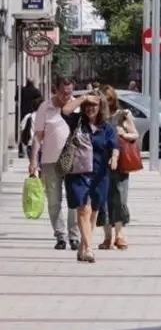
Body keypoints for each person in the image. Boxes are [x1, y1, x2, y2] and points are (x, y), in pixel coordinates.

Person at [28, 77, 89, 251]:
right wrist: (34, 161)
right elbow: (38, 136)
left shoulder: (76, 107)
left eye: (69, 93)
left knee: (74, 200)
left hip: (73, 161)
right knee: (54, 201)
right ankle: (60, 236)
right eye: (63, 93)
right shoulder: (44, 107)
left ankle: (74, 236)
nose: (66, 97)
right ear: (56, 89)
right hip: (50, 160)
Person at [65, 93, 118, 263]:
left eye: (94, 105)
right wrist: (84, 97)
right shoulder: (78, 122)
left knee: (93, 211)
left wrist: (114, 158)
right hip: (79, 171)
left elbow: (114, 145)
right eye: (87, 105)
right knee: (83, 209)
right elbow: (66, 110)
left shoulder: (107, 127)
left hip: (100, 173)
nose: (90, 108)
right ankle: (88, 248)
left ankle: (83, 247)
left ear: (100, 107)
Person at [97, 86, 137, 250]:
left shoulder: (122, 114)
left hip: (120, 163)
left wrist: (123, 133)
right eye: (103, 100)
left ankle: (120, 235)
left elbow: (135, 134)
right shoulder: (97, 116)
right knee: (104, 201)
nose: (106, 103)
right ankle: (107, 237)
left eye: (109, 100)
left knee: (120, 198)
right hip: (101, 163)